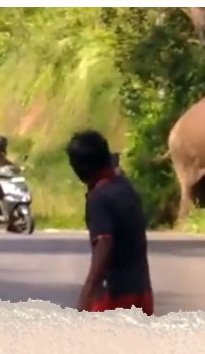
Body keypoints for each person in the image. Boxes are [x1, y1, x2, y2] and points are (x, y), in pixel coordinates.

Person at [66, 130, 155, 315]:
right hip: (142, 293)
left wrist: (87, 292)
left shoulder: (99, 197)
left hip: (115, 297)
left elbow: (104, 243)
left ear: (81, 167)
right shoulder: (125, 187)